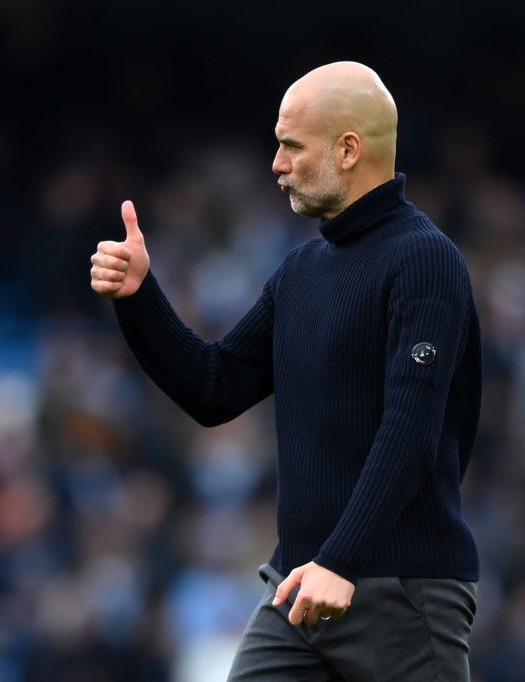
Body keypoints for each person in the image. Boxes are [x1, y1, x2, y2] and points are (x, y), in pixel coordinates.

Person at [90, 61, 482, 681]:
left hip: (403, 593)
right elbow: (213, 387)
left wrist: (343, 561)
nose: (276, 163)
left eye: (291, 146)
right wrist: (139, 298)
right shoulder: (301, 272)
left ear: (348, 149)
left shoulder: (425, 261)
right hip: (300, 588)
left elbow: (411, 429)